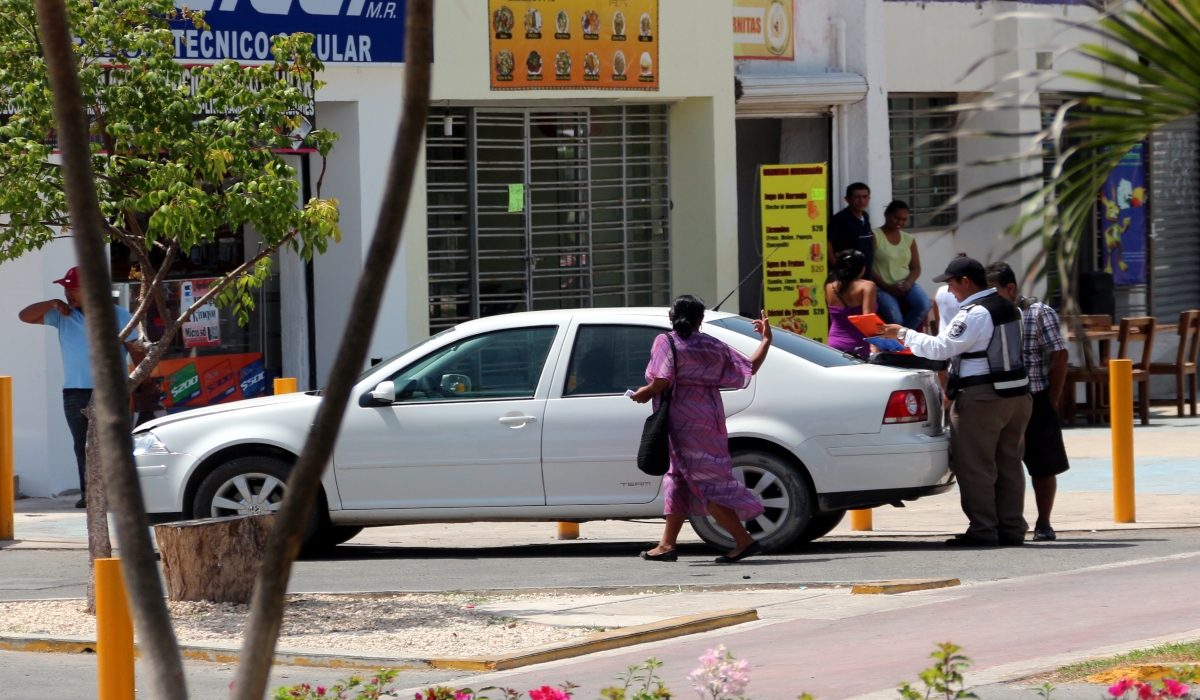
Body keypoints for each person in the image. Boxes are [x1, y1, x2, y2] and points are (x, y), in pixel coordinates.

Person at [877, 256, 1032, 546]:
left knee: (975, 465)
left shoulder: (974, 313)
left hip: (983, 397)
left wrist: (901, 333)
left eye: (951, 284)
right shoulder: (1010, 308)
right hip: (1017, 396)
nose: (949, 292)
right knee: (1009, 463)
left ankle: (984, 529)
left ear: (966, 282)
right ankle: (1012, 528)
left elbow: (941, 348)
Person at [631, 295, 773, 564]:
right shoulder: (712, 345)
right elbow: (748, 368)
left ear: (671, 317)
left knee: (703, 482)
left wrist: (646, 392)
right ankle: (666, 544)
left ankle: (744, 540)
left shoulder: (666, 341)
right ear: (700, 320)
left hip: (682, 420)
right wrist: (765, 341)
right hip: (710, 418)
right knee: (679, 478)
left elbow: (663, 379)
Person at [18, 267, 139, 507]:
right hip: (74, 391)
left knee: (112, 443)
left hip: (110, 391)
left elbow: (136, 351)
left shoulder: (117, 315)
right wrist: (51, 302)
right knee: (83, 445)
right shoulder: (62, 314)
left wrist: (141, 386)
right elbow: (25, 316)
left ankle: (117, 494)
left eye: (73, 289)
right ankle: (91, 495)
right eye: (66, 289)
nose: (68, 294)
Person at [987, 262, 1070, 541]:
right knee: (1001, 466)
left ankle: (1044, 523)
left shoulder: (1038, 314)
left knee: (1044, 465)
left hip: (1035, 398)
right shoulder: (986, 315)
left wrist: (1052, 399)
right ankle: (1006, 523)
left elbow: (1059, 355)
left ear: (1010, 289)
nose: (990, 298)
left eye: (994, 291)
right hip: (1001, 401)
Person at [872, 201, 930, 329]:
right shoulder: (875, 236)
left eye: (904, 220)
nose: (900, 223)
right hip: (881, 287)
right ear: (886, 214)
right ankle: (900, 343)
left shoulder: (908, 239)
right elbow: (867, 267)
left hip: (905, 284)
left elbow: (916, 267)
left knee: (924, 305)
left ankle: (903, 340)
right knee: (896, 318)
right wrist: (886, 287)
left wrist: (908, 283)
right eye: (896, 218)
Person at [825, 249, 877, 359]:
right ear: (862, 269)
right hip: (858, 345)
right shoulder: (867, 286)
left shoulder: (830, 287)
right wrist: (875, 345)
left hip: (833, 342)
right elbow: (868, 319)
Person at [829, 183, 875, 275]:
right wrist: (837, 266)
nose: (861, 201)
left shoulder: (865, 217)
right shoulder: (840, 218)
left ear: (869, 199)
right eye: (857, 197)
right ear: (847, 199)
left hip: (865, 272)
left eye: (865, 197)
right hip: (847, 276)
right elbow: (827, 242)